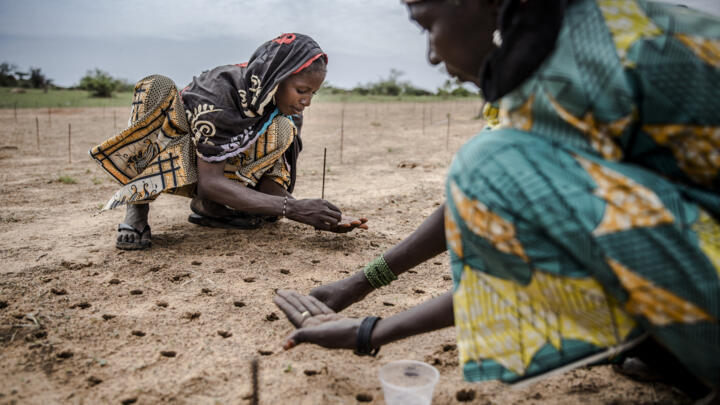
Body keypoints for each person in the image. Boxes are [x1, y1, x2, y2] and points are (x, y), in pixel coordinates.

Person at [274, 0, 720, 400]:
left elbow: (520, 250)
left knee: (486, 162)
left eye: (427, 24)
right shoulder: (559, 46)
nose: (431, 53)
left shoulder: (580, 66)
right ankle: (676, 359)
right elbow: (481, 200)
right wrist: (360, 284)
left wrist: (371, 331)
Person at [90, 33, 367, 250]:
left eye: (313, 94)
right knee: (156, 87)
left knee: (285, 127)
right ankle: (137, 211)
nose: (306, 101)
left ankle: (209, 209)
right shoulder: (220, 94)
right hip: (175, 157)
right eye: (302, 90)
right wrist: (295, 209)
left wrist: (318, 216)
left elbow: (271, 182)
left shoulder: (282, 112)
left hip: (216, 173)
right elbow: (211, 182)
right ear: (275, 79)